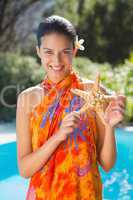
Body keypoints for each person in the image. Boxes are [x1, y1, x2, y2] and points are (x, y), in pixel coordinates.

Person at [16, 15, 126, 200]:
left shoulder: (94, 92)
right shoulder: (27, 99)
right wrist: (58, 136)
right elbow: (25, 170)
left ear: (74, 50)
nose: (57, 60)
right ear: (38, 52)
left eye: (65, 51)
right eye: (48, 52)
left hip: (86, 194)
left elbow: (107, 164)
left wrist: (110, 126)